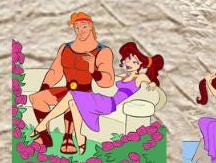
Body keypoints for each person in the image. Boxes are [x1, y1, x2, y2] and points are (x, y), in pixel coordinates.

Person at [34, 40, 163, 155]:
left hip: (110, 104)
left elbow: (152, 80)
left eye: (135, 61)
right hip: (106, 100)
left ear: (141, 65)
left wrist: (153, 83)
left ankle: (42, 125)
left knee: (71, 94)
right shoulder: (125, 76)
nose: (129, 63)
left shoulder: (139, 78)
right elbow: (108, 81)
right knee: (73, 103)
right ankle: (80, 137)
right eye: (128, 60)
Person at [29, 12, 115, 152]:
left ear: (91, 26)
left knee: (72, 101)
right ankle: (45, 137)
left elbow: (108, 82)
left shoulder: (103, 51)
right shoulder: (65, 48)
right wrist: (44, 87)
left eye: (84, 26)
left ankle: (68, 138)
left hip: (85, 93)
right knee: (37, 98)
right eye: (76, 27)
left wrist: (93, 69)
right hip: (67, 89)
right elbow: (55, 71)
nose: (80, 30)